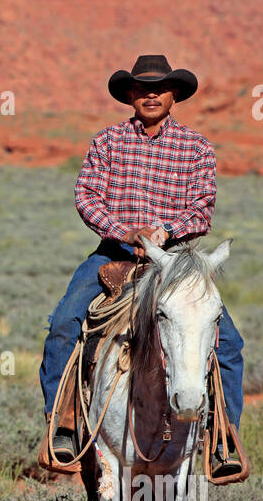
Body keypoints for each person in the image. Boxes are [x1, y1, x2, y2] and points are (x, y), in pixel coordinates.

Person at [39, 54, 244, 474]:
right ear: (130, 95)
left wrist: (165, 232)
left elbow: (202, 209)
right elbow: (87, 196)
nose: (151, 94)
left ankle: (223, 438)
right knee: (64, 323)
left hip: (174, 264)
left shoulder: (196, 147)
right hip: (114, 256)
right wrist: (124, 231)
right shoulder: (107, 142)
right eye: (142, 88)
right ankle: (64, 425)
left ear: (174, 96)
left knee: (228, 345)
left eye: (160, 88)